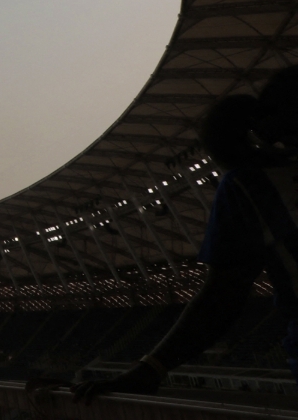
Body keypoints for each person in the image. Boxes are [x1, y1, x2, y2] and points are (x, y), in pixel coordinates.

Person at [72, 65, 298, 403]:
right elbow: (225, 292)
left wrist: (152, 367)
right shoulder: (254, 187)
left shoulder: (253, 187)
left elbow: (224, 292)